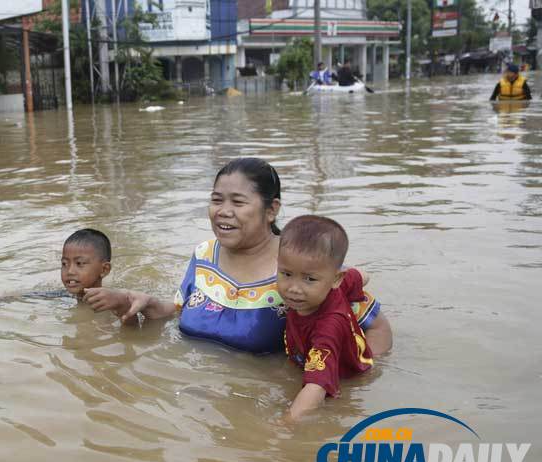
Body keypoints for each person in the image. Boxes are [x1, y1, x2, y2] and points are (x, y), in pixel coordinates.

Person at [84, 158, 393, 356]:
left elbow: (377, 328)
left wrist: (360, 386)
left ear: (271, 209)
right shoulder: (204, 255)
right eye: (217, 200)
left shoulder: (300, 267)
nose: (223, 211)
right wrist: (142, 303)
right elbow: (180, 311)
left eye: (238, 202)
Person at [277, 215, 374, 420]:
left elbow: (317, 387)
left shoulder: (328, 327)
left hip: (347, 376)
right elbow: (361, 276)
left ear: (335, 279)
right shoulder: (334, 283)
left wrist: (286, 422)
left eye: (309, 279)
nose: (294, 289)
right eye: (286, 274)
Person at [0, 228, 113, 317]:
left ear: (104, 270)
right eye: (64, 264)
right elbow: (20, 296)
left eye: (79, 264)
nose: (70, 271)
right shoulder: (65, 296)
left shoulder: (114, 303)